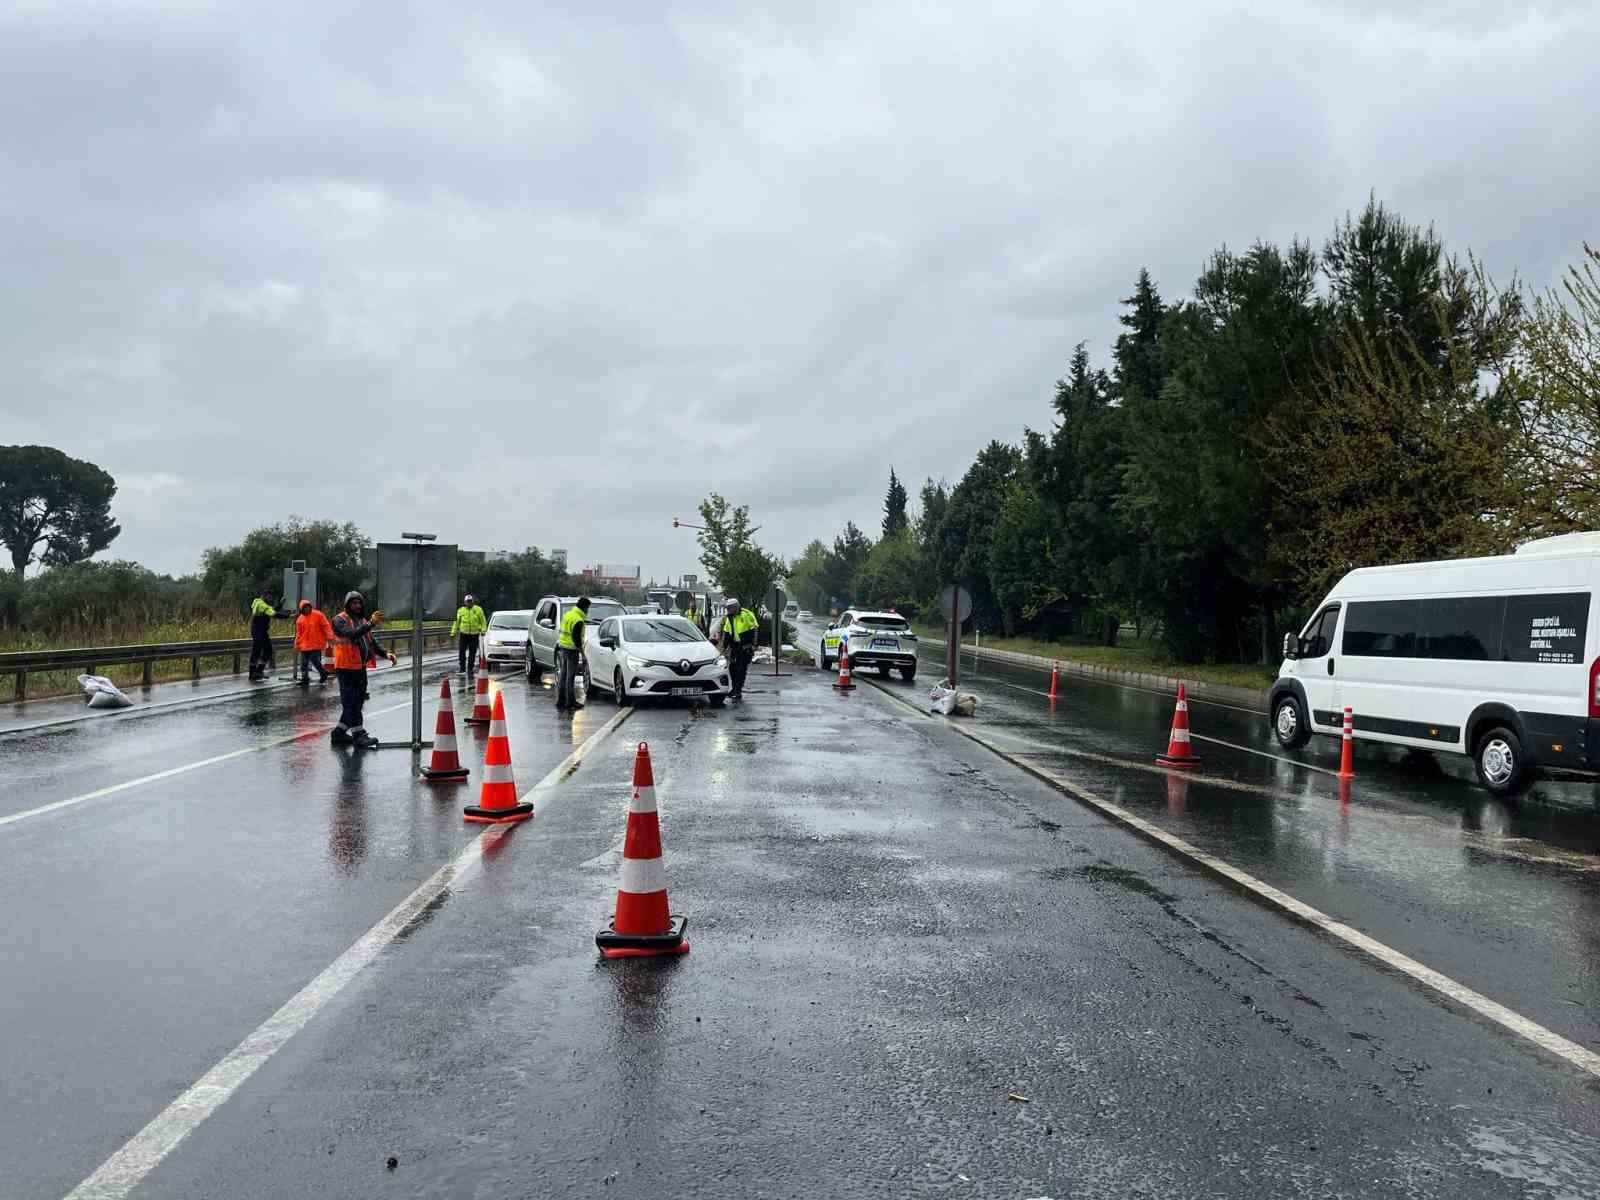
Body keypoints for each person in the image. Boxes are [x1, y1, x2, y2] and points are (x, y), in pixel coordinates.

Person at [330, 590, 396, 747]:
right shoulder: (339, 620)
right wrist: (370, 623)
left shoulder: (362, 621)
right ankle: (359, 735)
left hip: (359, 667)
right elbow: (351, 634)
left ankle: (338, 733)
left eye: (359, 603)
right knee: (351, 702)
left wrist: (386, 654)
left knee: (357, 702)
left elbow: (371, 643)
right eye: (354, 603)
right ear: (348, 605)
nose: (357, 605)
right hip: (345, 667)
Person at [716, 596, 759, 701]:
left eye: (729, 608)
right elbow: (726, 632)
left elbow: (755, 629)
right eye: (727, 608)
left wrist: (754, 645)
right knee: (732, 669)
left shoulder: (747, 614)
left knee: (741, 670)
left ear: (736, 607)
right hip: (734, 646)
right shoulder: (729, 618)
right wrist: (724, 647)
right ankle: (734, 689)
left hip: (745, 646)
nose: (728, 610)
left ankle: (738, 691)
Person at [555, 596, 590, 712]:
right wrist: (582, 653)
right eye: (587, 608)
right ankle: (570, 702)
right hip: (572, 650)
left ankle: (561, 701)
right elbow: (576, 639)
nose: (587, 611)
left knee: (563, 675)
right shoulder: (578, 620)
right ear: (584, 608)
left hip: (563, 648)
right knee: (570, 677)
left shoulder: (568, 614)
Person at [294, 599, 335, 684]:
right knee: (303, 663)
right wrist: (296, 643)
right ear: (301, 609)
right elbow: (299, 633)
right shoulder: (300, 619)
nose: (307, 609)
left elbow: (326, 626)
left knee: (315, 660)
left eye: (308, 607)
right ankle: (305, 679)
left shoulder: (318, 615)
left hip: (316, 643)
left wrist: (330, 636)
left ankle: (323, 673)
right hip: (304, 644)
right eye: (304, 608)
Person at [247, 592, 285, 681]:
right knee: (256, 651)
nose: (271, 599)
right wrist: (288, 616)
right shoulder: (261, 604)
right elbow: (273, 614)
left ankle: (259, 671)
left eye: (271, 597)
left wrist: (280, 604)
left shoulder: (262, 603)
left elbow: (272, 610)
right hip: (257, 630)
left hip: (262, 631)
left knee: (268, 650)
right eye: (270, 597)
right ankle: (253, 673)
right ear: (264, 596)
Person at [451, 593, 488, 675]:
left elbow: (483, 621)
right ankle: (462, 668)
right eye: (467, 601)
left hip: (474, 634)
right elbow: (456, 622)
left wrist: (483, 630)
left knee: (472, 652)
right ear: (465, 602)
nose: (469, 603)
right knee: (462, 651)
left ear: (473, 602)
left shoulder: (478, 609)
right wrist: (453, 632)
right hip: (464, 634)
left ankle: (470, 669)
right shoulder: (461, 610)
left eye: (470, 601)